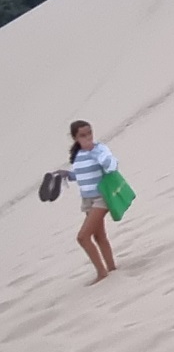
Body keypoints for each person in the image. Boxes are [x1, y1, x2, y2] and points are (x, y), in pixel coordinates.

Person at [54, 120, 118, 284]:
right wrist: (68, 174)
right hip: (87, 200)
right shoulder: (78, 155)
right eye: (83, 135)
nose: (88, 137)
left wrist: (95, 152)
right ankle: (112, 269)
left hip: (101, 198)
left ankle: (102, 273)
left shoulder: (99, 149)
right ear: (75, 137)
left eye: (89, 132)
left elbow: (112, 165)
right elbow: (82, 175)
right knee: (99, 236)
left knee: (83, 237)